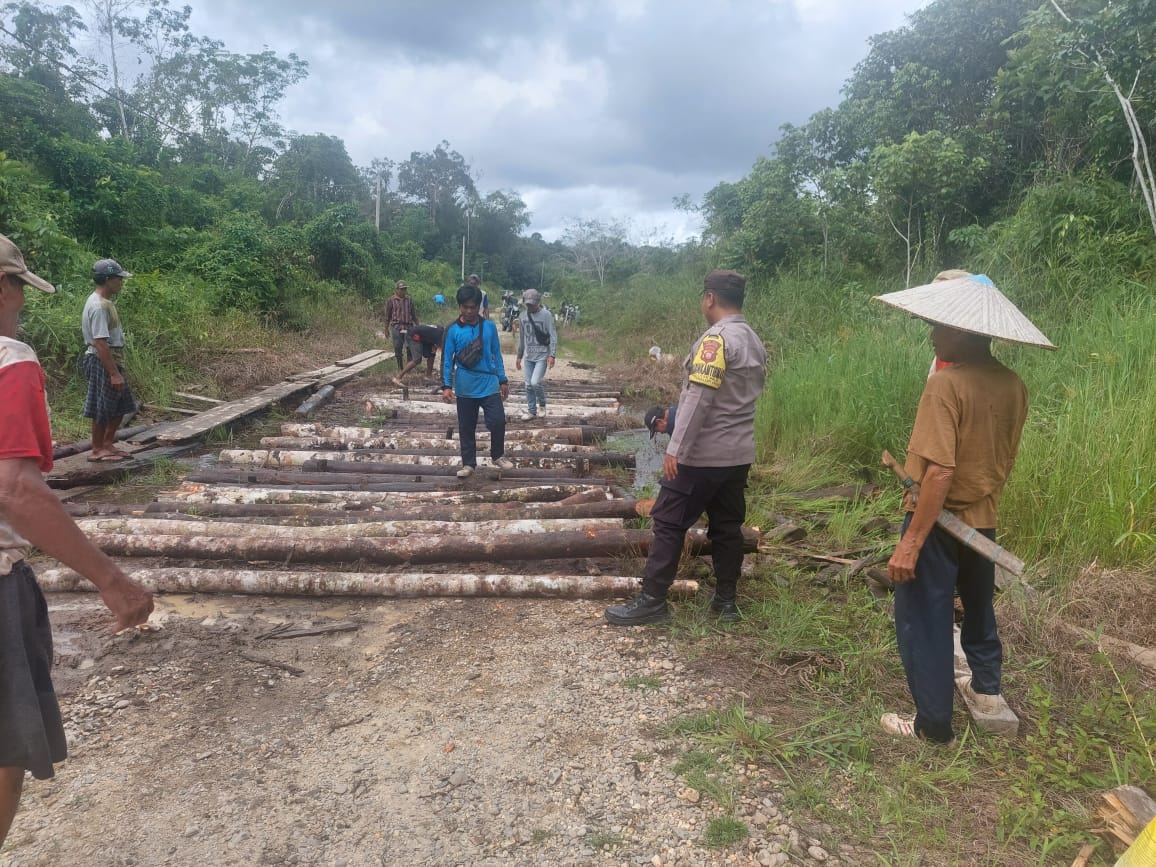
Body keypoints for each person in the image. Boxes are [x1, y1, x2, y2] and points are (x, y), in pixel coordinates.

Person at [0, 234, 154, 847]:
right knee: (5, 754)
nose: (21, 304)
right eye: (17, 289)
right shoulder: (9, 361)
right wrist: (112, 581)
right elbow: (15, 488)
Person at [873, 273, 1054, 743]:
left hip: (937, 522)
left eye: (938, 324)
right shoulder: (1013, 384)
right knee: (978, 605)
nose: (932, 332)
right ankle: (987, 690)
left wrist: (911, 543)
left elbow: (939, 474)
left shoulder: (946, 386)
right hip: (983, 520)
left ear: (962, 330)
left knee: (924, 618)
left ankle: (932, 725)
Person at [605, 270, 767, 626]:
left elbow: (698, 400)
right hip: (738, 455)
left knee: (667, 521)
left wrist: (675, 447)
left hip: (702, 455)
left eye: (702, 298)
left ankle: (652, 601)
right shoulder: (753, 340)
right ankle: (725, 603)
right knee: (727, 527)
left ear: (709, 298)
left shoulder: (716, 341)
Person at [442, 284, 514, 478]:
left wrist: (502, 379)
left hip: (489, 382)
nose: (469, 311)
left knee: (498, 420)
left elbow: (496, 354)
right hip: (465, 384)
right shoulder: (453, 330)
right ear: (459, 307)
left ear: (479, 307)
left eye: (473, 307)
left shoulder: (489, 327)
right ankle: (468, 464)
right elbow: (447, 359)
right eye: (465, 306)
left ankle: (497, 455)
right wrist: (447, 386)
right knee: (466, 426)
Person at [81, 258, 136, 463]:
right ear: (107, 280)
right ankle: (97, 449)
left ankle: (107, 443)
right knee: (102, 407)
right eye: (118, 279)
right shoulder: (98, 306)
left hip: (112, 359)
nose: (121, 282)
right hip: (100, 360)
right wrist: (113, 373)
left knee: (122, 404)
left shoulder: (106, 303)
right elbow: (100, 343)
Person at [514, 288, 557, 421]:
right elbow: (521, 337)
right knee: (528, 385)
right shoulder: (522, 316)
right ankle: (531, 411)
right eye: (528, 304)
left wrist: (552, 355)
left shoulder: (546, 315)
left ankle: (542, 404)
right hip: (528, 356)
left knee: (535, 382)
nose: (530, 306)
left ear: (538, 302)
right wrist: (519, 355)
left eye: (532, 304)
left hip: (542, 355)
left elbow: (553, 335)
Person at [927, 269, 972, 379]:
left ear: (957, 329)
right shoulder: (1013, 382)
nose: (932, 335)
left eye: (938, 325)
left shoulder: (943, 382)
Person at [383, 280, 419, 371]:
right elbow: (387, 316)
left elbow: (414, 315)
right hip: (396, 327)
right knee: (398, 347)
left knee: (409, 347)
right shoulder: (391, 300)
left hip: (408, 327)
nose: (403, 291)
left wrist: (418, 326)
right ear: (397, 290)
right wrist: (386, 329)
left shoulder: (409, 300)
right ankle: (400, 367)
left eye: (405, 289)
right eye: (402, 289)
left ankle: (408, 368)